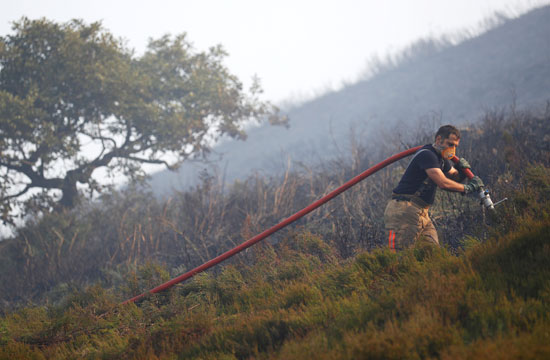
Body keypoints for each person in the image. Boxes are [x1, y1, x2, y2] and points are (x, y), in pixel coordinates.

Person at [384, 125, 484, 251]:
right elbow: (443, 183)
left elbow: (453, 177)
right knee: (400, 255)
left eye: (455, 146)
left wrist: (462, 171)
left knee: (432, 255)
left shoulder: (440, 159)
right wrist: (467, 188)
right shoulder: (427, 155)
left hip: (422, 212)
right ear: (438, 140)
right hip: (405, 210)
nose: (452, 149)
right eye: (450, 144)